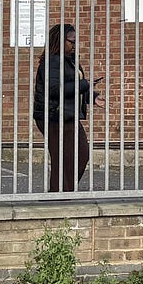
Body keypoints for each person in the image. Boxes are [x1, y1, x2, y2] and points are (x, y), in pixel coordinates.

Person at [32, 23, 98, 192]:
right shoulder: (52, 62)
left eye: (76, 41)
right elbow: (55, 90)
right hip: (53, 116)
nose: (74, 45)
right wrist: (84, 85)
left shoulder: (71, 61)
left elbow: (74, 88)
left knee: (80, 154)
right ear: (60, 41)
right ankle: (59, 195)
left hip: (68, 114)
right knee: (62, 158)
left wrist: (92, 97)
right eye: (71, 41)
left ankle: (63, 192)